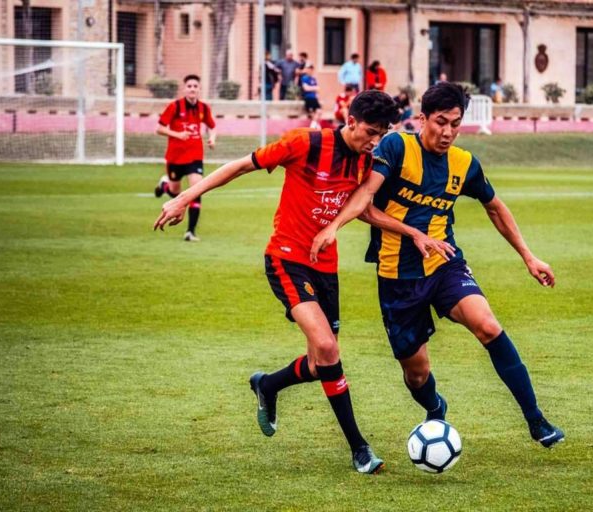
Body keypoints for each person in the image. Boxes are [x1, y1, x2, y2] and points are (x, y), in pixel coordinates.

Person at [153, 90, 447, 473]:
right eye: (371, 132)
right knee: (328, 348)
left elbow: (365, 210)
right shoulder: (305, 142)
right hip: (287, 259)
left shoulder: (364, 162)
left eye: (382, 133)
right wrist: (183, 198)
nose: (375, 141)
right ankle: (359, 448)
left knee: (319, 361)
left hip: (326, 268)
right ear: (350, 120)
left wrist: (413, 233)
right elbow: (241, 166)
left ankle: (269, 385)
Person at [310, 81, 565, 449]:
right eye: (440, 122)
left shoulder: (464, 163)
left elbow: (494, 207)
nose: (447, 132)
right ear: (422, 118)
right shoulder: (397, 146)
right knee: (417, 375)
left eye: (456, 124)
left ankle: (537, 421)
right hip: (397, 276)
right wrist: (351, 227)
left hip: (445, 265)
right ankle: (434, 406)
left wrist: (529, 256)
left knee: (489, 326)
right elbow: (365, 201)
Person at [154, 74, 216, 242]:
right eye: (189, 86)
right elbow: (159, 128)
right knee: (175, 192)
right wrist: (177, 134)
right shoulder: (174, 107)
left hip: (195, 157)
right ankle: (164, 185)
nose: (192, 89)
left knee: (196, 190)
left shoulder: (204, 108)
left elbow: (212, 127)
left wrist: (212, 138)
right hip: (175, 157)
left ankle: (190, 232)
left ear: (199, 89)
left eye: (195, 86)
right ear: (184, 89)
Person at [300, 64, 322, 129]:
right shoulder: (304, 78)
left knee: (319, 111)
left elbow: (318, 89)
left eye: (311, 69)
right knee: (311, 112)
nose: (310, 71)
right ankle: (315, 125)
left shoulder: (314, 79)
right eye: (309, 69)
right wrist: (315, 88)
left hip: (314, 97)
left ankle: (313, 124)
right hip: (308, 97)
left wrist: (316, 91)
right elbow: (306, 88)